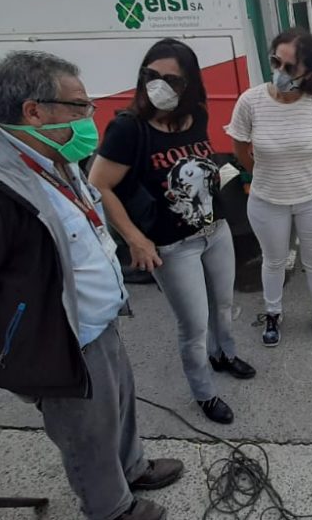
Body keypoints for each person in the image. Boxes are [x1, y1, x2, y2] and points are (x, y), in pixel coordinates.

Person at [0, 51, 180, 520]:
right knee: (84, 431)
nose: (90, 116)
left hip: (96, 322)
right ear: (33, 112)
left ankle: (131, 466)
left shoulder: (52, 156)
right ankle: (110, 508)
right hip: (57, 338)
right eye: (79, 106)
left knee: (117, 402)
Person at [90, 38, 254, 425]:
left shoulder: (195, 115)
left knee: (224, 305)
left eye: (172, 80)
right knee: (194, 325)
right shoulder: (127, 129)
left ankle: (224, 354)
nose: (158, 85)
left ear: (190, 86)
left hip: (215, 229)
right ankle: (204, 391)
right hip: (172, 245)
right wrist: (135, 238)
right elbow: (99, 184)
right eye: (151, 76)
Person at [226, 27, 312, 347]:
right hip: (267, 200)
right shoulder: (250, 102)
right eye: (275, 62)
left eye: (289, 67)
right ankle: (273, 313)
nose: (279, 72)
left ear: (308, 71)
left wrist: (304, 173)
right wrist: (259, 173)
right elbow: (239, 146)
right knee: (274, 260)